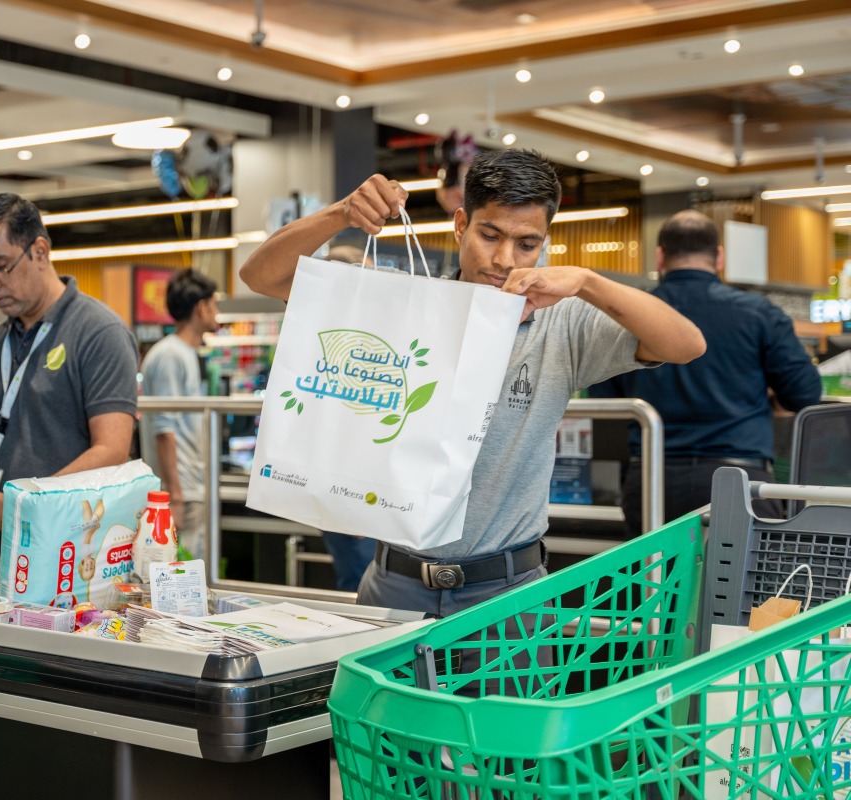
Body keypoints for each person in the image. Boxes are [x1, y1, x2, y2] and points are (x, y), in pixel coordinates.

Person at [238, 149, 706, 618]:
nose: (504, 259)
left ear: (544, 242)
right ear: (461, 224)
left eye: (526, 244)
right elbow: (260, 275)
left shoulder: (560, 325)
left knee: (509, 695)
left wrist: (586, 281)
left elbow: (686, 344)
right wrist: (342, 213)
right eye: (489, 235)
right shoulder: (404, 302)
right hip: (394, 584)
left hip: (509, 596)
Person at [0, 193, 139, 577]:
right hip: (4, 557)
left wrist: (18, 505)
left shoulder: (99, 333)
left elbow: (111, 450)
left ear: (40, 251)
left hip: (73, 561)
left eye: (0, 266)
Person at [590, 210, 821, 532]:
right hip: (740, 481)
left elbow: (603, 402)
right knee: (744, 581)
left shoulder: (628, 316)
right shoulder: (758, 313)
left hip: (652, 482)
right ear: (719, 256)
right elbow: (805, 395)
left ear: (660, 256)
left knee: (656, 581)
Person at [138, 268, 218, 561]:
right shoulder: (170, 355)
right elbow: (165, 430)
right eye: (214, 304)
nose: (216, 311)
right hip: (180, 489)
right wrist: (176, 496)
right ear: (201, 307)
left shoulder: (183, 353)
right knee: (179, 576)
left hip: (191, 484)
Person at [318, 245, 380, 592]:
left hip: (368, 497)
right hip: (351, 497)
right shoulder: (335, 346)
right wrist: (349, 504)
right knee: (357, 583)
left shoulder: (356, 338)